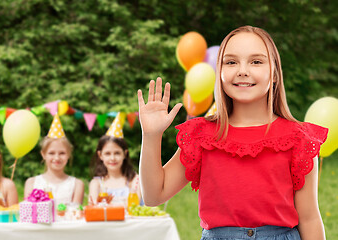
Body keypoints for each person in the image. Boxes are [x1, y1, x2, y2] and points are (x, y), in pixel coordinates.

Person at [138, 26, 327, 239]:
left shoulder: (299, 138)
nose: (242, 70)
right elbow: (154, 195)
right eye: (231, 62)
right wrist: (151, 136)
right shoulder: (201, 135)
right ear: (219, 73)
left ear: (274, 73)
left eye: (256, 61)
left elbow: (309, 218)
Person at [24, 114, 85, 205]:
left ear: (68, 155)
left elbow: (75, 214)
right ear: (43, 154)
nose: (57, 158)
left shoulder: (77, 185)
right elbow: (29, 212)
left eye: (62, 153)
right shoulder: (32, 183)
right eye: (51, 153)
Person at [88, 112, 142, 207]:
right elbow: (94, 208)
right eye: (107, 154)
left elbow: (134, 205)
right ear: (100, 155)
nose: (112, 158)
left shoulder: (135, 180)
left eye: (117, 153)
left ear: (124, 154)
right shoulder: (96, 184)